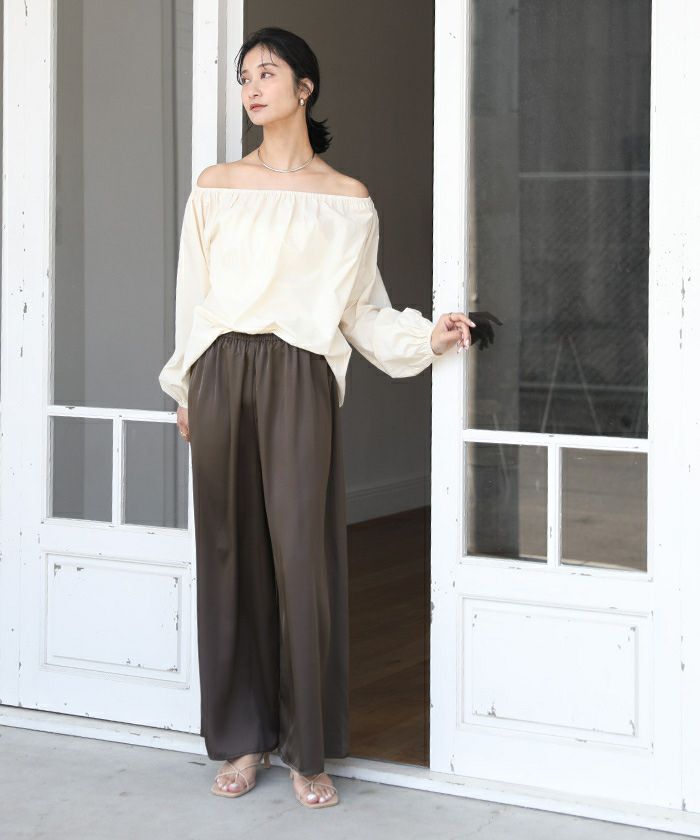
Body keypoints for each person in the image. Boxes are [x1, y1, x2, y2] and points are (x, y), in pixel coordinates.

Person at [158, 26, 475, 810]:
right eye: (243, 77)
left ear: (305, 88)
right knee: (229, 556)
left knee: (303, 560)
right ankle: (244, 738)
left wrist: (426, 338)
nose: (251, 87)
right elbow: (193, 296)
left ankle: (306, 749)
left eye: (267, 73)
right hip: (221, 369)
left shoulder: (347, 200)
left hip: (300, 375)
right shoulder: (217, 185)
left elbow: (361, 310)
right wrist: (186, 388)